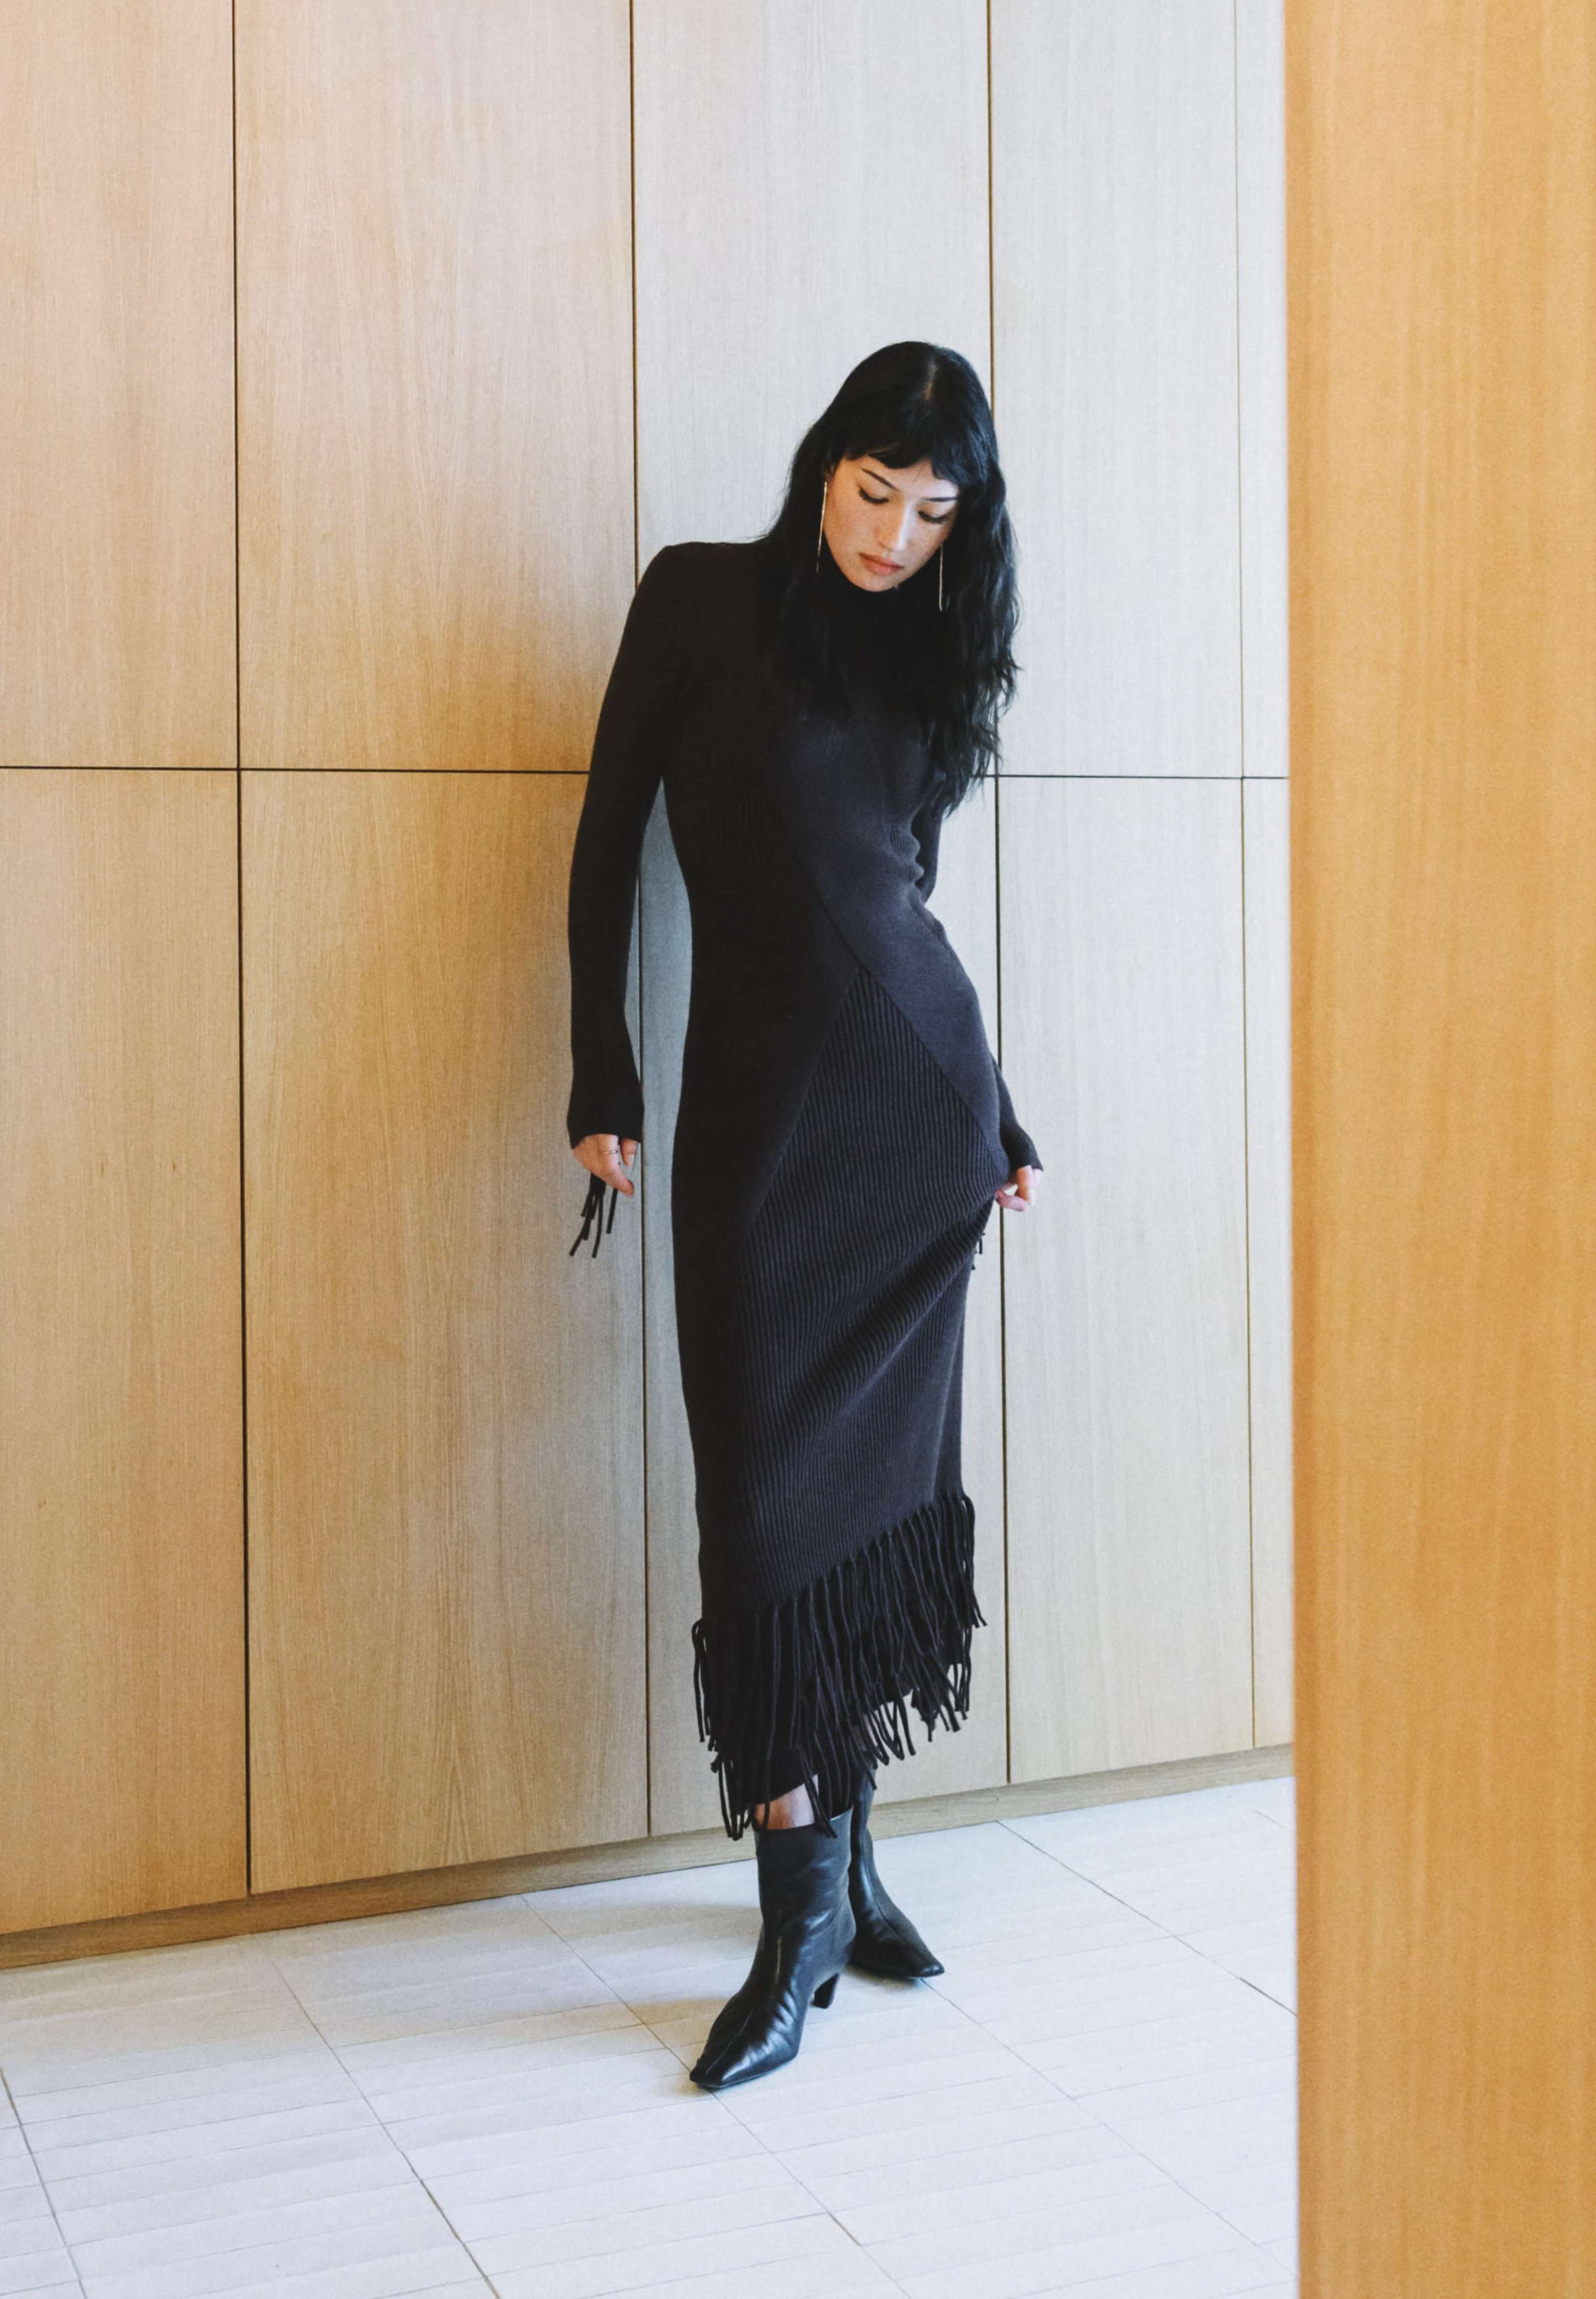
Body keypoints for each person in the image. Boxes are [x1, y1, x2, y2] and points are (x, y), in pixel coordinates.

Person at [565, 340, 1039, 2093]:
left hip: (916, 1128)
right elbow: (612, 835)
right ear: (822, 457)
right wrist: (599, 1071)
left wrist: (994, 1104)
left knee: (873, 1510)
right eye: (874, 490)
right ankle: (801, 1904)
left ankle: (833, 1879)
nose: (897, 534)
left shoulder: (926, 658)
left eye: (935, 513)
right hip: (760, 1137)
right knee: (764, 1512)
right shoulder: (698, 600)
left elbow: (897, 905)